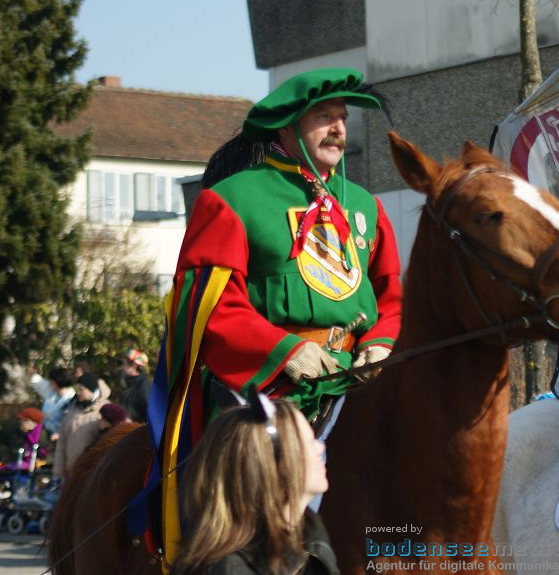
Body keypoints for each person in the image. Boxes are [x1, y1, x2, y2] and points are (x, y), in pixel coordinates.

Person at [143, 68, 403, 564]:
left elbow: (391, 293)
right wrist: (287, 350)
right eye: (324, 117)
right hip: (264, 393)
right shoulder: (232, 200)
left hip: (355, 380)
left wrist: (381, 341)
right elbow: (206, 307)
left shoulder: (365, 205)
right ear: (286, 126)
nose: (338, 129)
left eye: (343, 118)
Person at [171, 390, 337, 575]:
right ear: (275, 467)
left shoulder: (312, 534)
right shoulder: (225, 570)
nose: (320, 447)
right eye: (309, 441)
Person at [53, 372, 108, 478]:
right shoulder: (72, 410)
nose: (78, 392)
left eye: (82, 389)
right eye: (77, 389)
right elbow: (62, 442)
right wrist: (59, 469)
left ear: (93, 391)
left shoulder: (105, 410)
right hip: (71, 472)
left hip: (92, 473)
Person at [0, 403, 49, 469]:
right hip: (18, 469)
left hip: (39, 472)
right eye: (20, 420)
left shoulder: (45, 436)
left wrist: (41, 462)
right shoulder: (18, 434)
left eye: (25, 420)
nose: (21, 423)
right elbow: (3, 436)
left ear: (35, 423)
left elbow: (51, 455)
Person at [29, 366, 77, 442]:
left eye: (51, 381)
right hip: (47, 436)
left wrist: (60, 435)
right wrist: (33, 375)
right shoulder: (52, 394)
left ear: (56, 382)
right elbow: (40, 383)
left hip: (62, 439)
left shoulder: (71, 399)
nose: (49, 383)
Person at [119, 348, 151, 423]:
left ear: (134, 365)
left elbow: (150, 414)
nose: (122, 367)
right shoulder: (129, 384)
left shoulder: (144, 386)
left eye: (124, 363)